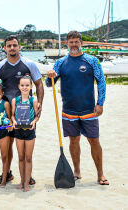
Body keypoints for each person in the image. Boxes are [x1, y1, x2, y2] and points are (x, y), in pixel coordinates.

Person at [46, 30, 108, 185]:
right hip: (69, 111)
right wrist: (50, 76)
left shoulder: (92, 61)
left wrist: (100, 103)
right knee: (74, 141)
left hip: (89, 110)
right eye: (71, 42)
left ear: (81, 43)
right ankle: (77, 171)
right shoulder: (60, 63)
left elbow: (101, 82)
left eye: (76, 41)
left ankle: (100, 174)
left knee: (94, 141)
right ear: (67, 43)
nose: (74, 44)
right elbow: (49, 84)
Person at [0, 35, 44, 184]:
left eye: (15, 45)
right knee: (7, 146)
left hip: (27, 114)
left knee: (26, 147)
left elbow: (39, 85)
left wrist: (39, 104)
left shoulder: (30, 64)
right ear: (4, 48)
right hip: (7, 114)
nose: (12, 48)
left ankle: (28, 176)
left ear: (19, 47)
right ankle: (6, 173)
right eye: (9, 46)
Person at [11, 75, 39, 192]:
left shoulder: (34, 100)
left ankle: (27, 183)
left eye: (27, 85)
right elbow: (12, 115)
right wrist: (14, 121)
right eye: (22, 85)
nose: (24, 87)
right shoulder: (15, 100)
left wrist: (34, 122)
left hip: (30, 131)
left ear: (31, 86)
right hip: (18, 131)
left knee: (28, 158)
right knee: (21, 157)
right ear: (19, 86)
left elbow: (37, 116)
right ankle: (22, 181)